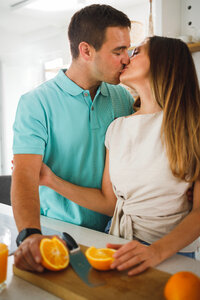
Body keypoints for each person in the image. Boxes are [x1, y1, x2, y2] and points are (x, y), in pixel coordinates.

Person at [38, 36, 200, 275]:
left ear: (164, 62)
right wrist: (49, 179)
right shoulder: (117, 128)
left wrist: (155, 252)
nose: (125, 59)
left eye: (136, 52)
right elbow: (109, 202)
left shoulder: (193, 126)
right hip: (118, 245)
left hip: (171, 255)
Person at [12, 4, 134, 272]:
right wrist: (30, 235)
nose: (127, 59)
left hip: (111, 233)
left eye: (128, 49)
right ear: (86, 50)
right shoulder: (36, 103)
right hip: (57, 231)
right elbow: (24, 176)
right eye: (118, 51)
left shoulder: (122, 98)